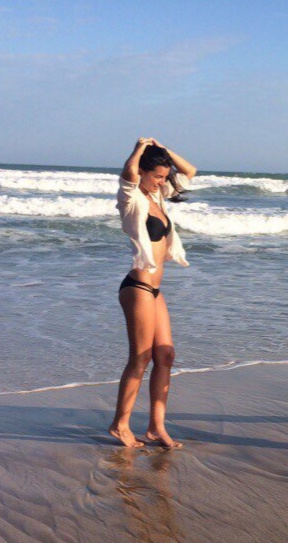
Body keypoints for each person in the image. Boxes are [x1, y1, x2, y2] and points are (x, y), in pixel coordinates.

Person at [109, 137, 197, 449]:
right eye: (157, 175)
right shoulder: (132, 199)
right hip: (137, 288)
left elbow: (190, 171)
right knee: (141, 358)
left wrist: (164, 150)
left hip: (155, 291)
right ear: (143, 173)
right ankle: (120, 425)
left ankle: (155, 428)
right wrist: (138, 149)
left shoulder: (159, 195)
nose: (162, 181)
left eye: (164, 176)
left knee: (166, 355)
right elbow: (129, 172)